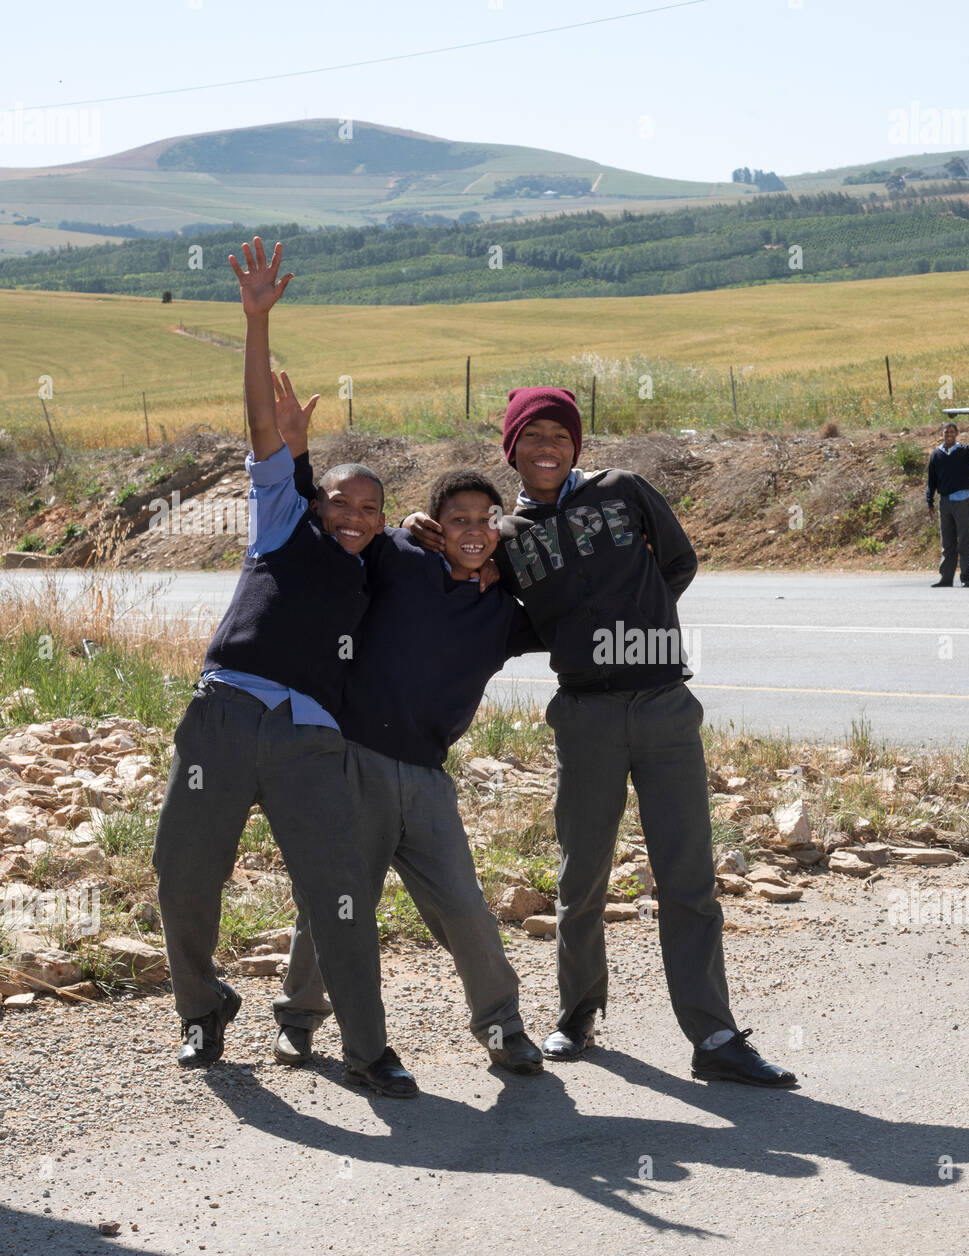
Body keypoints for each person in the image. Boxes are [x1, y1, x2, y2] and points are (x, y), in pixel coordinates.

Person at [402, 387, 796, 1088]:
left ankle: (714, 1035)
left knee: (688, 878)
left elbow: (676, 563)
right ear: (512, 449)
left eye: (560, 435)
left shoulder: (625, 491)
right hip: (584, 714)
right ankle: (578, 1012)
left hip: (664, 706)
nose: (546, 447)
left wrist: (633, 624)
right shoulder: (511, 532)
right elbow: (477, 583)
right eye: (532, 437)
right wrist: (414, 527)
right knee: (580, 875)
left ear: (576, 446)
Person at [151, 238, 415, 1098]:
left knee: (339, 896)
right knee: (184, 874)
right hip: (225, 715)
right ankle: (201, 1010)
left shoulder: (375, 570)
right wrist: (256, 322)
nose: (355, 513)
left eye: (371, 508)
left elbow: (448, 561)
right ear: (315, 497)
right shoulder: (278, 525)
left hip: (310, 741)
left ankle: (366, 1050)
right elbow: (262, 430)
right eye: (342, 498)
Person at [270, 429, 548, 1078]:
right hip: (354, 764)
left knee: (464, 907)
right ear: (433, 527)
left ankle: (504, 1029)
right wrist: (391, 519)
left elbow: (569, 601)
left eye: (485, 521)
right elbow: (344, 532)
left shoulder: (504, 612)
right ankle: (298, 1022)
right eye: (457, 520)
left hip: (426, 780)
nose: (472, 531)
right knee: (334, 905)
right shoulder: (399, 558)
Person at [926, 422, 969, 587]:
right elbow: (931, 481)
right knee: (947, 542)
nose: (949, 434)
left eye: (952, 431)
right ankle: (946, 578)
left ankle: (966, 578)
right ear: (941, 434)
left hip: (961, 501)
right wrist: (930, 502)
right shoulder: (936, 455)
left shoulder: (964, 451)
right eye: (946, 431)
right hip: (945, 502)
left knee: (964, 541)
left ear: (956, 433)